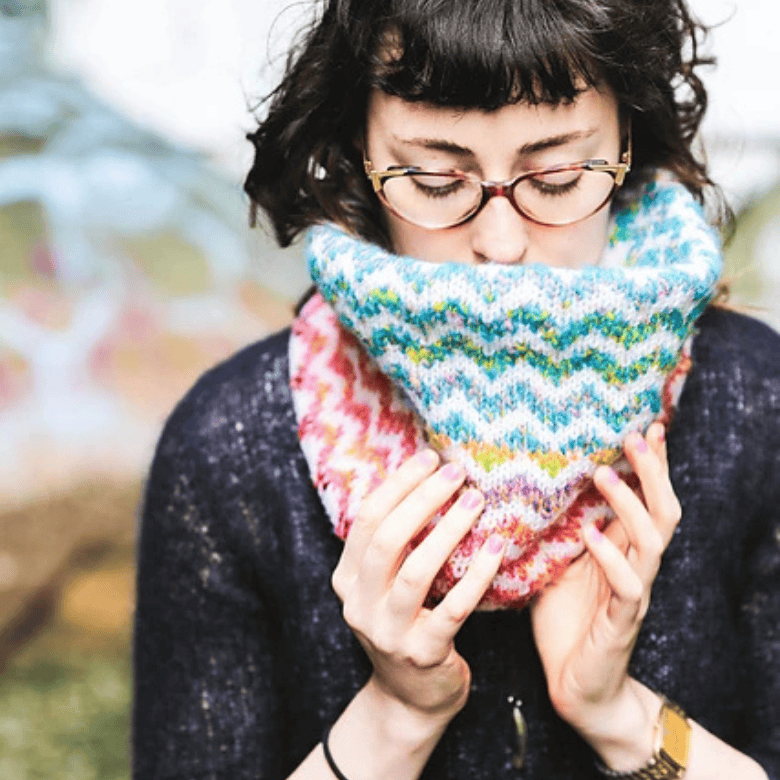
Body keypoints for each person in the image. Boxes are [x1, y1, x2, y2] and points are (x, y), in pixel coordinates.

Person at [132, 1, 780, 779]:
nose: (501, 246)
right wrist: (395, 716)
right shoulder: (231, 445)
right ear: (360, 159)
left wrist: (621, 718)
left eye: (559, 176)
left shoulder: (751, 402)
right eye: (436, 180)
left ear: (626, 142)